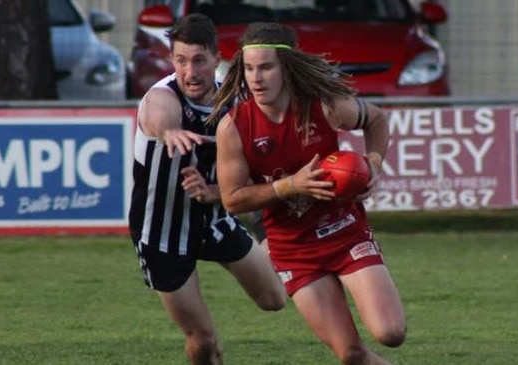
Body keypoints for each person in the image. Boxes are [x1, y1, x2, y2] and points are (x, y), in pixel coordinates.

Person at [210, 22, 406, 364]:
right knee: (351, 355)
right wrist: (291, 185)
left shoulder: (325, 107)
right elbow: (232, 199)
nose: (256, 78)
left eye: (266, 67)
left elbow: (377, 120)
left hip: (344, 232)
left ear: (287, 68)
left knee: (390, 332)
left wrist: (373, 161)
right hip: (293, 251)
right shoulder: (235, 127)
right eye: (249, 68)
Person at [128, 14, 286, 365]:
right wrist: (170, 132)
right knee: (204, 340)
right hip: (162, 234)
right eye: (180, 61)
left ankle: (273, 237)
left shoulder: (237, 102)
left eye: (199, 60)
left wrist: (216, 192)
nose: (190, 71)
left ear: (217, 58)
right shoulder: (162, 97)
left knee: (275, 299)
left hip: (215, 222)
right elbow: (159, 116)